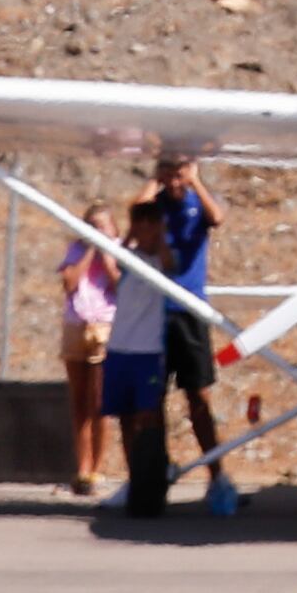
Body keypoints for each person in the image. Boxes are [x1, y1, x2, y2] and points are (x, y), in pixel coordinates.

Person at [108, 150, 237, 519]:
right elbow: (135, 213)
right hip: (154, 314)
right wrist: (156, 178)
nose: (174, 181)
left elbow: (218, 218)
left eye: (179, 172)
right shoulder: (153, 205)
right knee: (150, 402)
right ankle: (149, 475)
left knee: (198, 395)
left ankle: (217, 475)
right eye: (170, 173)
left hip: (189, 311)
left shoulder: (198, 202)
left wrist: (193, 179)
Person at [56, 219, 117, 499]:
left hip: (104, 325)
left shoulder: (118, 250)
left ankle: (97, 465)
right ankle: (83, 466)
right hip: (76, 325)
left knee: (99, 401)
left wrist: (105, 250)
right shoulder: (76, 251)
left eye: (103, 227)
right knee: (79, 401)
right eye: (92, 226)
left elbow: (118, 282)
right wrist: (89, 250)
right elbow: (69, 283)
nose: (97, 231)